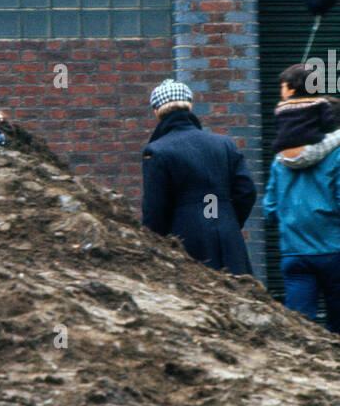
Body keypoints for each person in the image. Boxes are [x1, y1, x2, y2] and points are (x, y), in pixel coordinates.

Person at [141, 78, 256, 274]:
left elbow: (155, 210)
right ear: (190, 105)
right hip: (229, 236)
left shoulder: (157, 151)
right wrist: (226, 218)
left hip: (186, 239)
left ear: (156, 112)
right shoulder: (224, 144)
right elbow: (246, 191)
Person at [264, 71, 340, 334]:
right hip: (334, 251)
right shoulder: (337, 155)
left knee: (300, 328)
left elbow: (269, 209)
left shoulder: (280, 158)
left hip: (295, 252)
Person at [272, 62, 340, 159]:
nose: (281, 91)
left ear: (292, 89)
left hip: (283, 156)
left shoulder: (280, 106)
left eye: (282, 87)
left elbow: (278, 127)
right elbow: (328, 126)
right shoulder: (320, 102)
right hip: (309, 153)